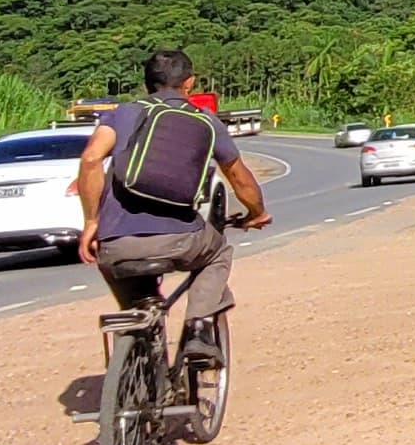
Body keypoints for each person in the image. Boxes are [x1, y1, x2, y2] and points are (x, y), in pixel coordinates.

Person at [75, 48, 271, 383]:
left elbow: (92, 160)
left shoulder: (123, 114)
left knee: (137, 303)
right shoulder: (206, 122)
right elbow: (239, 178)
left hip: (116, 244)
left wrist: (92, 222)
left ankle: (136, 366)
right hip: (180, 240)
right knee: (218, 252)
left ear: (147, 83)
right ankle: (197, 327)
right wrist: (257, 212)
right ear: (190, 84)